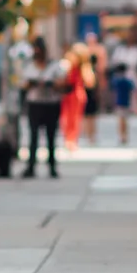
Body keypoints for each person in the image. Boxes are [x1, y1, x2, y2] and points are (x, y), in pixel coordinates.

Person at [19, 37, 64, 178]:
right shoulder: (29, 66)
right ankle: (31, 166)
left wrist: (51, 84)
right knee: (33, 136)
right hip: (35, 104)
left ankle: (51, 166)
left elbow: (63, 83)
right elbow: (23, 84)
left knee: (51, 137)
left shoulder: (54, 66)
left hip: (51, 104)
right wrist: (31, 84)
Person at [109, 40, 137, 144]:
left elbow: (112, 87)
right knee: (125, 120)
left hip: (119, 102)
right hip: (126, 102)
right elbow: (133, 88)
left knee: (120, 120)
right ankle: (125, 135)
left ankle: (121, 135)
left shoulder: (117, 81)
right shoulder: (127, 81)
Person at [59, 45, 90, 151]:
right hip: (67, 95)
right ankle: (68, 139)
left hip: (77, 95)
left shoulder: (83, 68)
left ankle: (72, 139)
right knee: (66, 118)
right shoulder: (67, 66)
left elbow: (90, 82)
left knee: (75, 119)